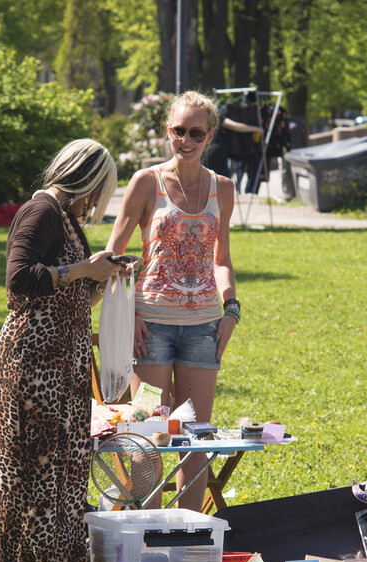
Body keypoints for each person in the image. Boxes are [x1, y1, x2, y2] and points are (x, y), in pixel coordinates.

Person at [0, 139, 133, 562]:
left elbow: (66, 287)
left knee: (61, 485)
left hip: (60, 369)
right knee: (25, 484)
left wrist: (101, 276)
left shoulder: (65, 217)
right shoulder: (39, 211)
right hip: (29, 367)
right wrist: (82, 269)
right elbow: (19, 281)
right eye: (100, 189)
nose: (98, 200)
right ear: (87, 178)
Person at [106, 90, 240, 511]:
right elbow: (115, 257)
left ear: (210, 135)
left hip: (204, 325)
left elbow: (222, 259)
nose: (184, 140)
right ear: (167, 131)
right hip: (152, 323)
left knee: (196, 435)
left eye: (195, 133)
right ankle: (145, 536)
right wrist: (128, 318)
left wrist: (231, 310)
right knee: (151, 436)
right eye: (177, 131)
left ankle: (187, 532)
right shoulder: (147, 182)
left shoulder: (223, 188)